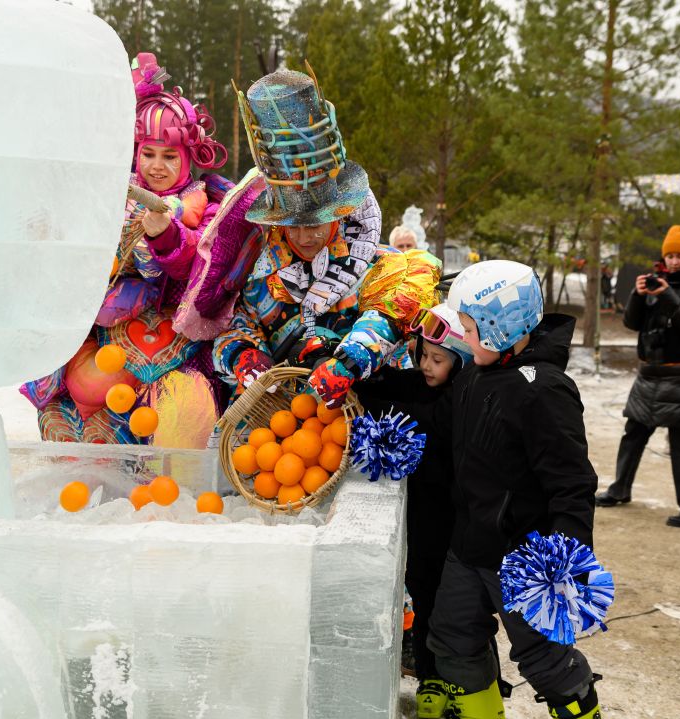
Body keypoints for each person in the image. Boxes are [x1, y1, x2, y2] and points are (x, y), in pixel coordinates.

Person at [420, 260, 614, 719]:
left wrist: (567, 560)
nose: (463, 335)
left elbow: (573, 482)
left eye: (472, 325)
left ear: (503, 327)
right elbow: (441, 427)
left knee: (544, 656)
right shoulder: (478, 373)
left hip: (525, 559)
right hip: (469, 545)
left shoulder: (544, 390)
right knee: (451, 635)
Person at [21, 53, 232, 447]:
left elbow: (198, 265)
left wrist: (164, 236)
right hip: (106, 333)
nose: (156, 166)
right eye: (148, 154)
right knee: (86, 392)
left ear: (188, 159)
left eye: (170, 157)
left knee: (181, 412)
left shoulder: (209, 205)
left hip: (177, 342)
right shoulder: (107, 197)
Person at [212, 68, 424, 408]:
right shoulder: (259, 275)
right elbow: (234, 325)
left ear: (339, 214)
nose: (306, 237)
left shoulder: (377, 264)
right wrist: (243, 356)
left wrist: (349, 362)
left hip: (370, 420)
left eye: (317, 225)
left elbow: (390, 315)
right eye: (294, 226)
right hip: (285, 425)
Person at [355, 304, 475, 719]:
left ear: (462, 361)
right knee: (422, 589)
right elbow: (399, 383)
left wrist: (370, 398)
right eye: (422, 354)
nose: (425, 365)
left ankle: (461, 681)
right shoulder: (427, 380)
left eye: (437, 359)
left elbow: (421, 417)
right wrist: (361, 375)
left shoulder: (464, 395)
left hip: (456, 517)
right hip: (425, 513)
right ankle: (429, 675)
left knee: (453, 603)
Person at [596, 225, 680, 527]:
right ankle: (619, 489)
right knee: (634, 432)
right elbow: (632, 323)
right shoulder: (656, 282)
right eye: (670, 256)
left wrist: (668, 296)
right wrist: (638, 293)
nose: (674, 262)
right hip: (650, 373)